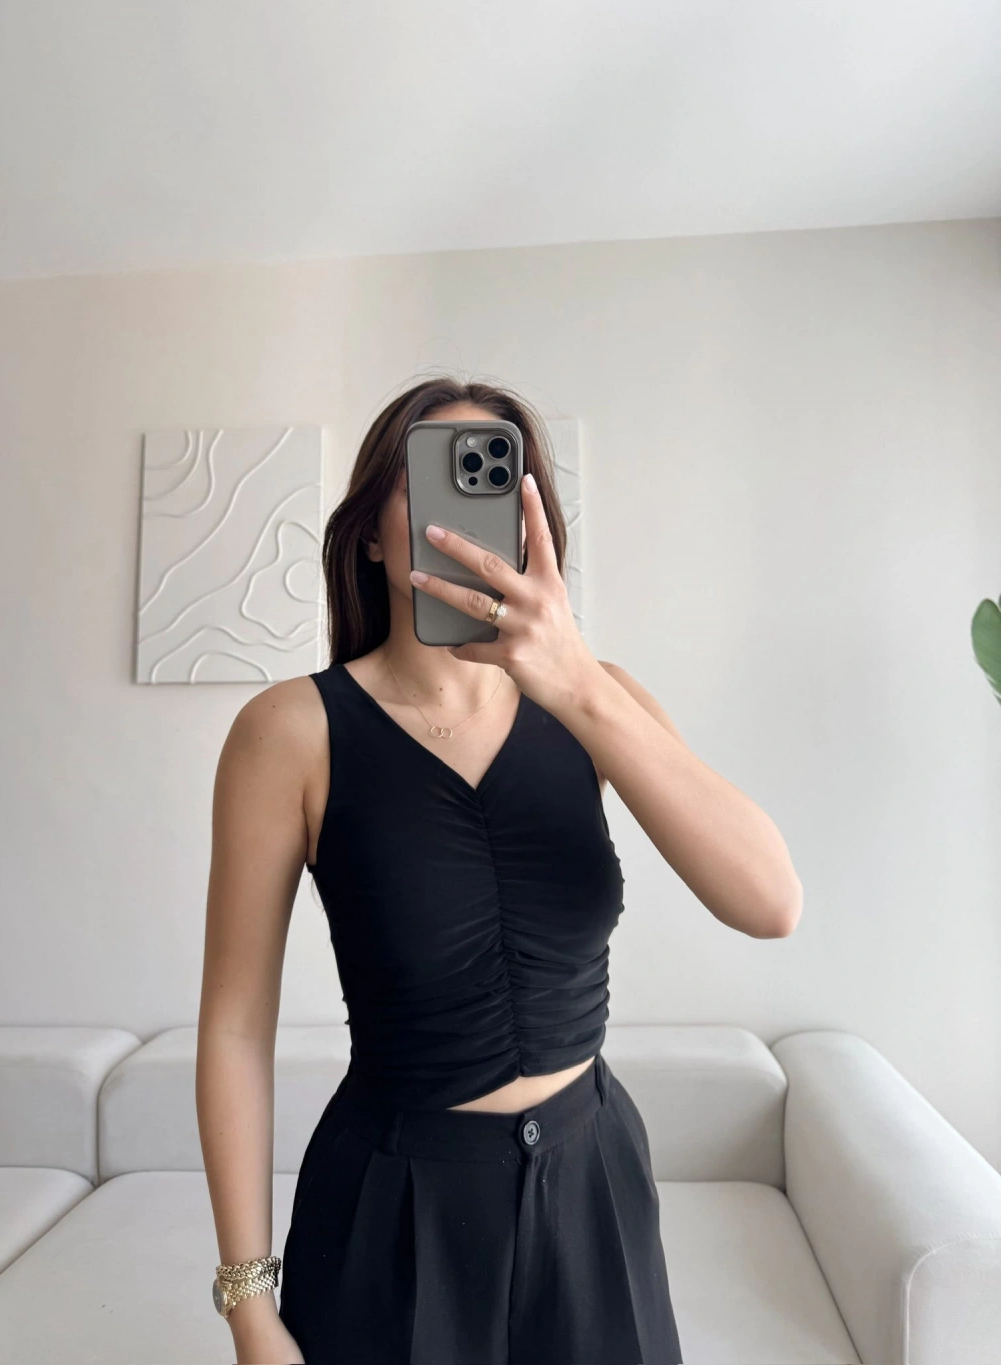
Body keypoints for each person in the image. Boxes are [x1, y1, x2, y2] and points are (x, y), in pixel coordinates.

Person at [197, 375, 803, 1365]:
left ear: (532, 528)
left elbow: (771, 900)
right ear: (372, 533)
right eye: (429, 482)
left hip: (594, 1187)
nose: (459, 517)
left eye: (492, 482)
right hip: (394, 1206)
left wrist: (577, 684)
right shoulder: (289, 732)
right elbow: (232, 1026)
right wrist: (248, 1307)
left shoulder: (599, 701)